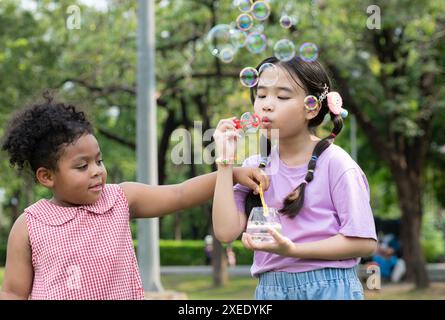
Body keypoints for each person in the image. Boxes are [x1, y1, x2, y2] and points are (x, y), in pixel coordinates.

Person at [0, 93, 269, 300]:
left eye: (99, 161)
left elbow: (179, 193)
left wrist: (231, 174)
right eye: (82, 166)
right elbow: (13, 292)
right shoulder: (30, 225)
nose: (96, 171)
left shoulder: (119, 199)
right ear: (47, 176)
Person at [212, 56, 378, 300]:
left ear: (311, 107)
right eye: (261, 95)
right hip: (271, 290)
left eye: (282, 96)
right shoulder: (253, 167)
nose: (267, 105)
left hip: (329, 288)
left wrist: (292, 250)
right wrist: (225, 163)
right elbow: (226, 232)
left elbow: (364, 243)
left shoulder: (336, 164)